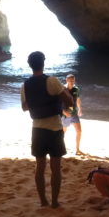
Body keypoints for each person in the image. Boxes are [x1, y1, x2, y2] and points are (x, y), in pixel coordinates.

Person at [20, 51, 75, 208]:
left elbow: (24, 107)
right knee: (55, 168)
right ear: (43, 63)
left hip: (37, 129)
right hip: (55, 129)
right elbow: (70, 101)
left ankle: (43, 201)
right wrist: (57, 98)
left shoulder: (25, 85)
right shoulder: (52, 81)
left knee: (40, 167)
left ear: (30, 65)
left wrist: (36, 100)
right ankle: (55, 202)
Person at [61, 73, 83, 155]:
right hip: (65, 114)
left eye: (73, 80)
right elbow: (58, 103)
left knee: (79, 131)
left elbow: (78, 99)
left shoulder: (76, 89)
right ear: (66, 80)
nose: (72, 82)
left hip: (74, 113)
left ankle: (77, 149)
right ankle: (61, 149)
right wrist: (64, 112)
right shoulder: (62, 89)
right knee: (63, 133)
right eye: (70, 81)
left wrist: (80, 108)